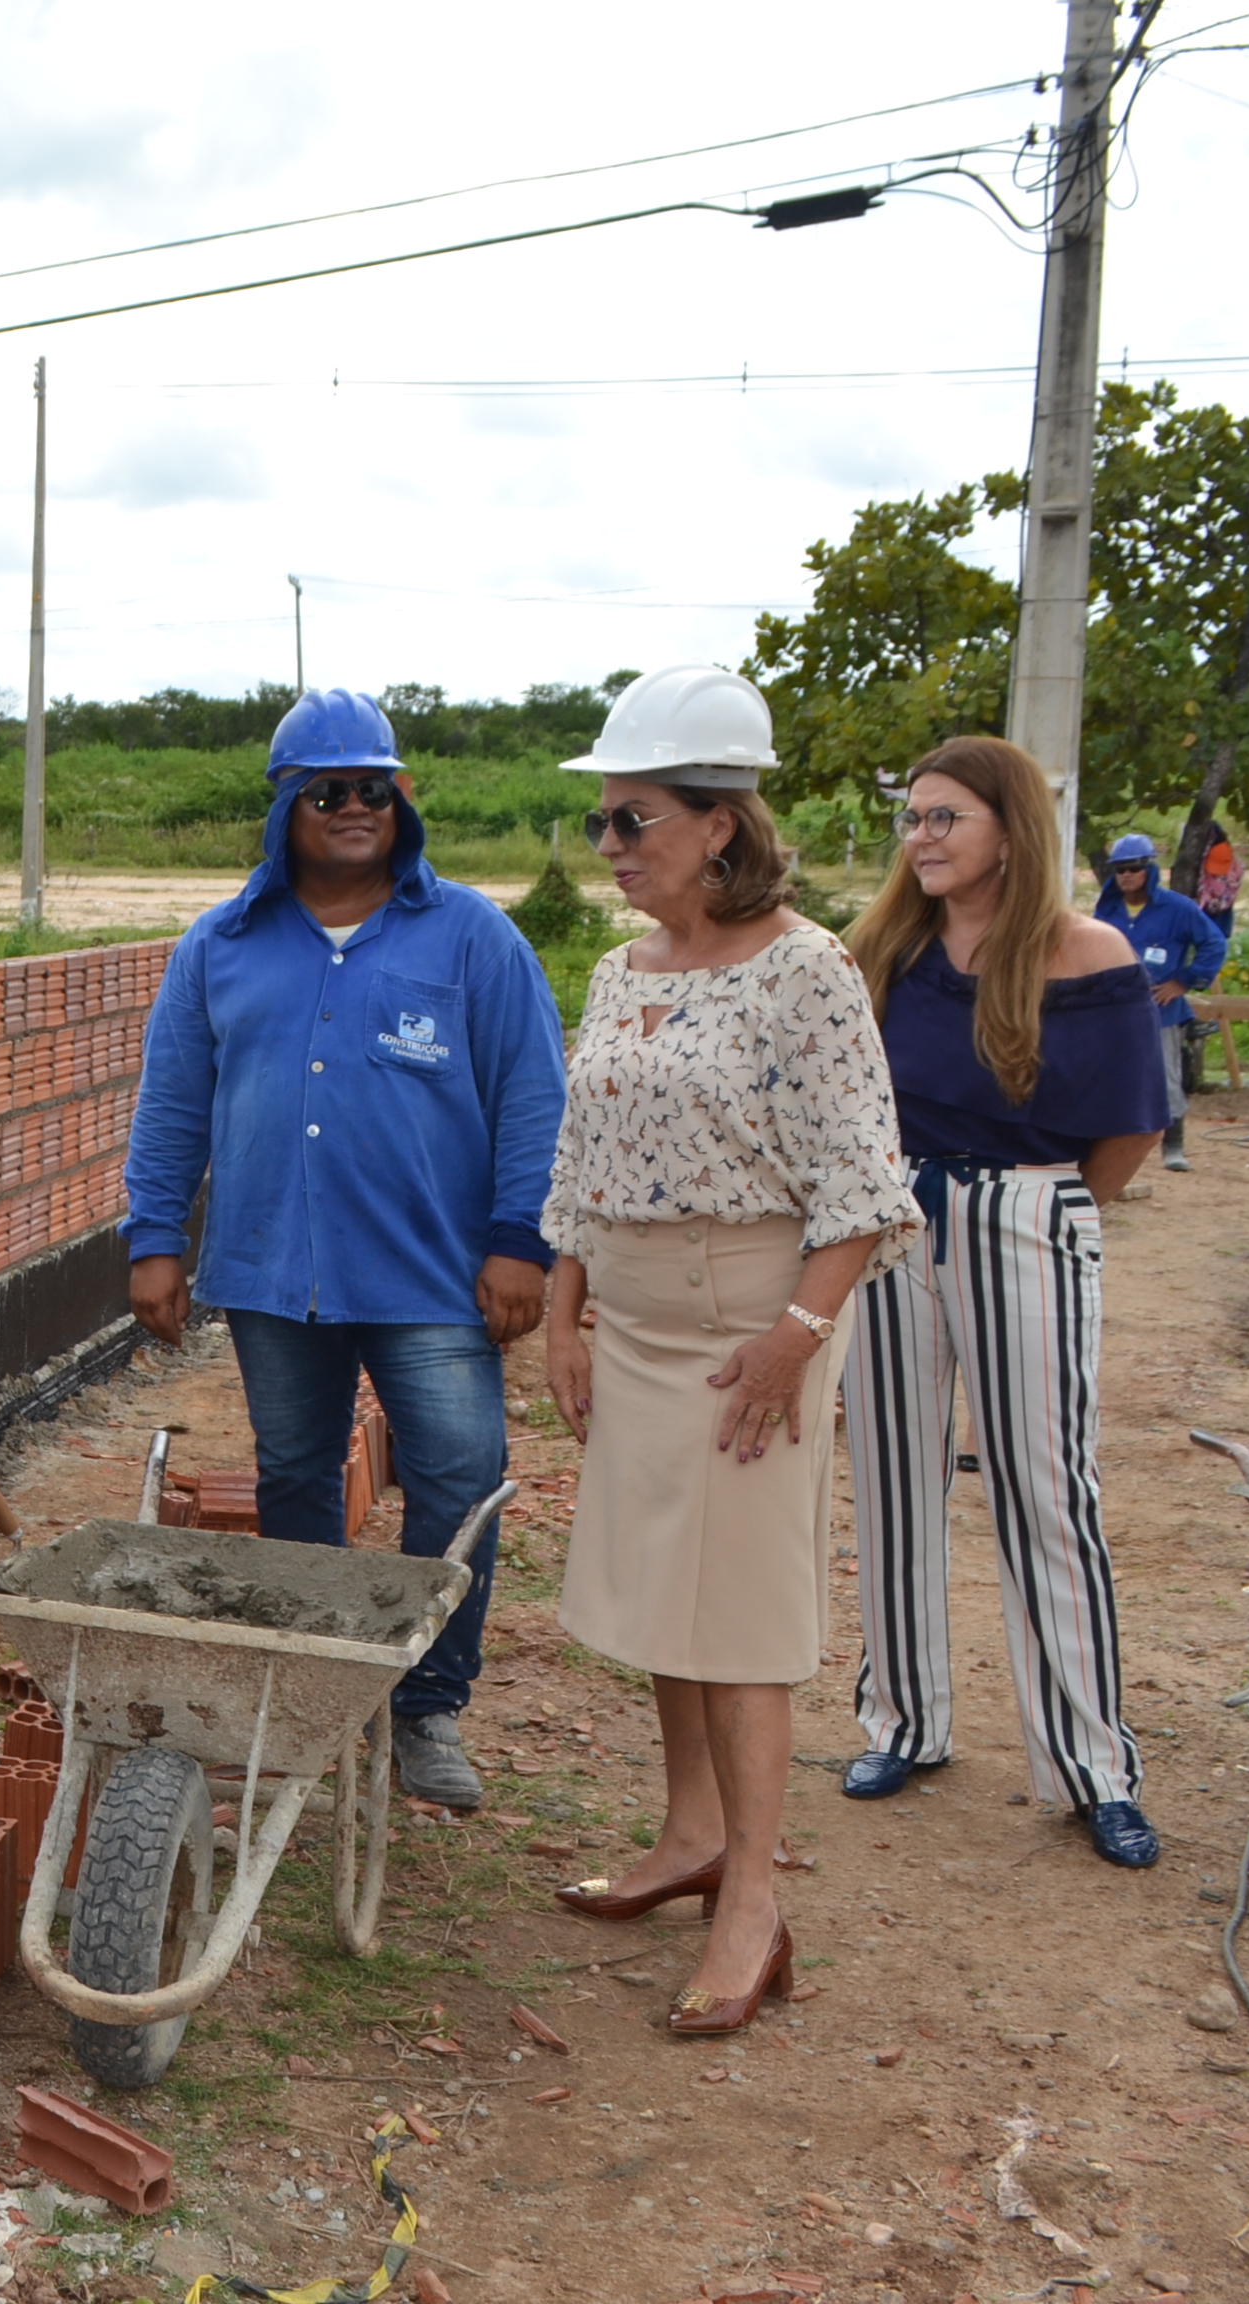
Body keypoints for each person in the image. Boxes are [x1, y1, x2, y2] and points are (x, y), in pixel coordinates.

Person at [537, 666, 919, 2037]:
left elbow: (862, 1189)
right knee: (660, 1596)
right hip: (634, 1322)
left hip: (755, 1326)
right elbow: (580, 1161)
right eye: (605, 824)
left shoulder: (805, 972)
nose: (614, 849)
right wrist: (568, 1313)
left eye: (632, 820)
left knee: (744, 1617)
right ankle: (689, 1832)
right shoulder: (616, 972)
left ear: (719, 823)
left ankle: (752, 1898)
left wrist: (796, 1341)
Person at [122, 685, 568, 1814]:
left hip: (430, 1277)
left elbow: (533, 1097)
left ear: (402, 799)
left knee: (460, 1480)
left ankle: (428, 1708)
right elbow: (173, 1102)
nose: (355, 807)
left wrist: (522, 1241)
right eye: (329, 790)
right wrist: (155, 1237)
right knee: (296, 1480)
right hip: (274, 1275)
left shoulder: (472, 936)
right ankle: (315, 1699)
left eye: (375, 787)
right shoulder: (220, 947)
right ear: (286, 807)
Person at [836, 734, 1167, 1869]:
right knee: (892, 1475)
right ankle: (906, 1720)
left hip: (1024, 1215)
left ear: (1010, 831)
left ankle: (1092, 1765)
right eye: (914, 819)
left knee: (1043, 1487)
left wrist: (1043, 1212)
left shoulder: (1086, 953)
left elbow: (1129, 1128)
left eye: (945, 819)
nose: (920, 839)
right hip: (891, 1229)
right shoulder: (883, 947)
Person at [1091, 832, 1224, 1173]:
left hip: (1160, 1012)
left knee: (1165, 1078)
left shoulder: (1177, 908)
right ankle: (1109, 1145)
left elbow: (1214, 944)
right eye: (1119, 869)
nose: (1126, 875)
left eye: (1134, 868)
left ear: (1149, 869)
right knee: (1107, 1078)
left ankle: (1174, 1146)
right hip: (1113, 1013)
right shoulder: (1106, 910)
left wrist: (1184, 981)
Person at [1195, 831, 1242, 937]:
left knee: (1218, 938)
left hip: (1222, 911)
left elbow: (1232, 891)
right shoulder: (1203, 862)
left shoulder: (1235, 868)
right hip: (1205, 907)